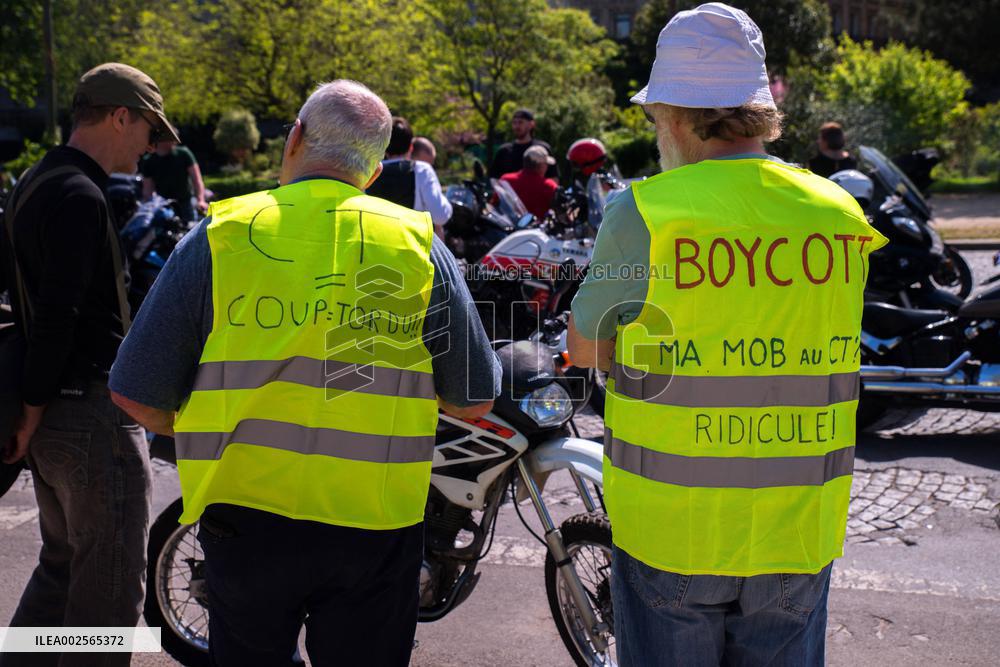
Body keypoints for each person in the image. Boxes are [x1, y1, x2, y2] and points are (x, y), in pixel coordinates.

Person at [108, 79, 501, 667]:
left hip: (246, 520)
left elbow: (135, 393)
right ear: (373, 170)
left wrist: (210, 426)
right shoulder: (419, 247)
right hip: (375, 525)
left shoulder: (221, 235)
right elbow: (473, 399)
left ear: (294, 137)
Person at [566, 4, 888, 665]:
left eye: (656, 117)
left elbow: (585, 347)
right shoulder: (837, 214)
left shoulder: (647, 213)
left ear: (677, 115)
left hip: (673, 531)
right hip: (796, 528)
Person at [0, 62, 178, 666]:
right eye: (149, 130)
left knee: (62, 571)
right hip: (89, 414)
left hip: (54, 415)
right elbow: (60, 315)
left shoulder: (36, 180)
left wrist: (32, 411)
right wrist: (30, 409)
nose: (149, 146)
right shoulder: (80, 194)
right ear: (120, 116)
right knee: (107, 596)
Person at [366, 116, 452, 230]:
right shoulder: (422, 170)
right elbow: (440, 216)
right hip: (413, 238)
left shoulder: (369, 171)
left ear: (384, 146)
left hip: (377, 237)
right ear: (411, 147)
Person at [139, 138, 208, 222]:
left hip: (185, 203)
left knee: (191, 226)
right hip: (164, 206)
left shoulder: (183, 153)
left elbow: (197, 180)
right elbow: (148, 189)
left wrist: (201, 200)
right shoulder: (148, 161)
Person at [488, 108, 556, 179]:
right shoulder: (503, 151)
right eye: (514, 123)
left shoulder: (542, 149)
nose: (517, 126)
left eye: (520, 122)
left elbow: (553, 178)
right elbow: (494, 179)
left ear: (531, 124)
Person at [499, 145, 559, 219]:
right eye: (546, 164)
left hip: (508, 225)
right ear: (540, 165)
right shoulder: (549, 185)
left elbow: (495, 205)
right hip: (538, 226)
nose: (547, 167)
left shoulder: (506, 180)